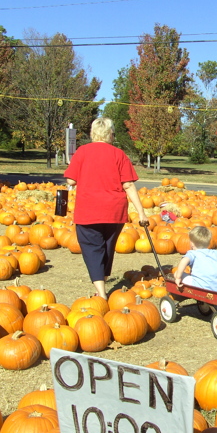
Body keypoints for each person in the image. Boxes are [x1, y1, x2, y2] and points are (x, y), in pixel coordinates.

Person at [64, 117, 149, 299]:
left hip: (88, 211)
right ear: (110, 134)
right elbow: (128, 185)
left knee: (92, 248)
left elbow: (71, 180)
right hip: (114, 211)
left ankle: (101, 294)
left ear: (92, 133)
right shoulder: (119, 154)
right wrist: (141, 212)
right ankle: (101, 284)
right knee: (107, 248)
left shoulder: (82, 152)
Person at [174, 226, 217, 293]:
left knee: (176, 273)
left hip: (200, 288)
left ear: (192, 243)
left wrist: (178, 277)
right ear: (209, 242)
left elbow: (184, 260)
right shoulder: (215, 253)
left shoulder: (193, 254)